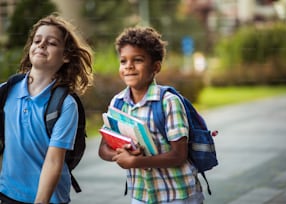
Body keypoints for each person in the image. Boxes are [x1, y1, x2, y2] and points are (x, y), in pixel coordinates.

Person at [98, 26, 204, 204]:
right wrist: (122, 154)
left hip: (178, 194)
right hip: (141, 196)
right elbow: (103, 149)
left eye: (137, 60)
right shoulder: (118, 103)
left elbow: (179, 155)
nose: (129, 66)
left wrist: (135, 162)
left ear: (155, 67)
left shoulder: (168, 102)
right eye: (123, 61)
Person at [0, 13, 93, 204]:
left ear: (66, 56)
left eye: (51, 43)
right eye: (37, 40)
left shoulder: (65, 105)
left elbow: (54, 162)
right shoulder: (6, 91)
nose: (41, 45)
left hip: (49, 198)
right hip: (8, 193)